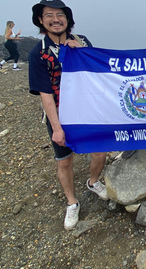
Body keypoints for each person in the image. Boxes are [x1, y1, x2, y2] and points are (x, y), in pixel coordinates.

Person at [28, 0, 108, 231]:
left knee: (100, 152)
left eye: (60, 14)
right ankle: (72, 202)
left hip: (88, 111)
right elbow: (45, 94)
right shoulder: (39, 52)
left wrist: (81, 52)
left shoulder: (82, 41)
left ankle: (93, 182)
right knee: (64, 161)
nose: (55, 19)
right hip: (60, 114)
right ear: (41, 20)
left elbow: (98, 72)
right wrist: (57, 127)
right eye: (49, 15)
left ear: (67, 19)